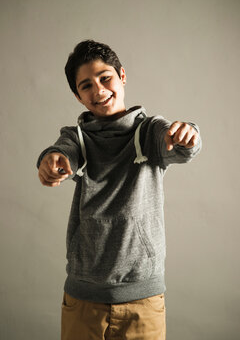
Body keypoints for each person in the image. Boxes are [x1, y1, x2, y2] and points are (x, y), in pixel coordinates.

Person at [37, 39, 202, 340]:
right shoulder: (75, 137)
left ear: (122, 76)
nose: (98, 90)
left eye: (105, 78)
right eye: (86, 86)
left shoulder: (151, 130)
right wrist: (52, 160)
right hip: (83, 298)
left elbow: (177, 143)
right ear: (77, 96)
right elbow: (63, 151)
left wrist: (188, 133)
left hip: (143, 301)